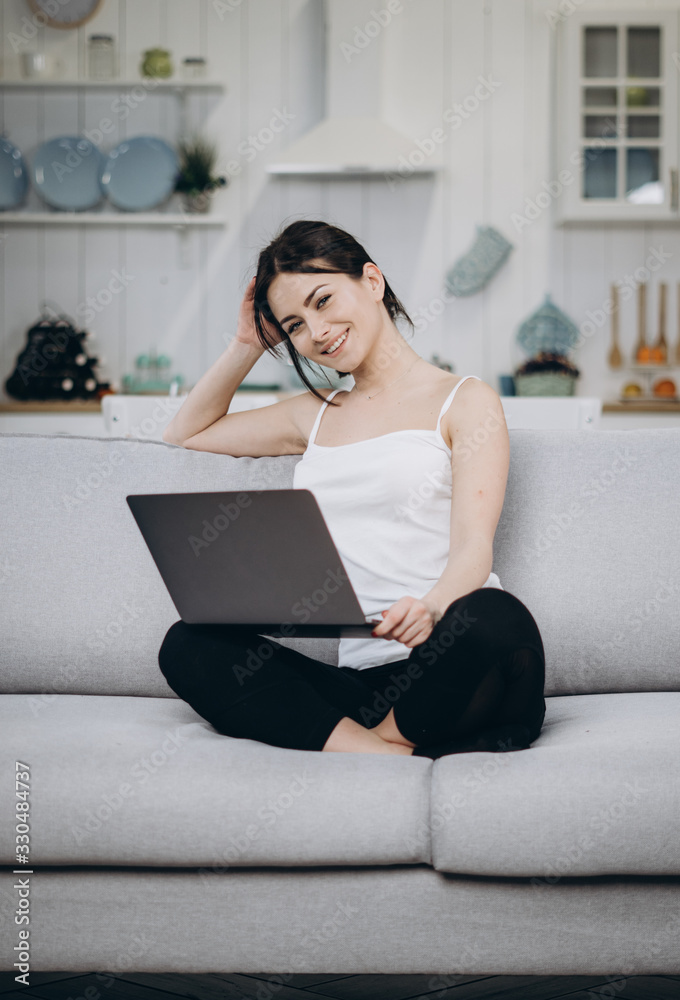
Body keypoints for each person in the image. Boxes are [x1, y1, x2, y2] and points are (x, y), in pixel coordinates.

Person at [158, 219, 546, 760]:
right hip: (367, 688)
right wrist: (247, 344)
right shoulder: (314, 414)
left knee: (494, 616)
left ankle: (368, 747)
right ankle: (386, 751)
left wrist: (433, 608)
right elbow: (187, 434)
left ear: (371, 280)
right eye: (294, 324)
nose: (315, 332)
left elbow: (474, 547)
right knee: (188, 644)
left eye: (322, 300)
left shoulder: (465, 399)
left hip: (459, 662)